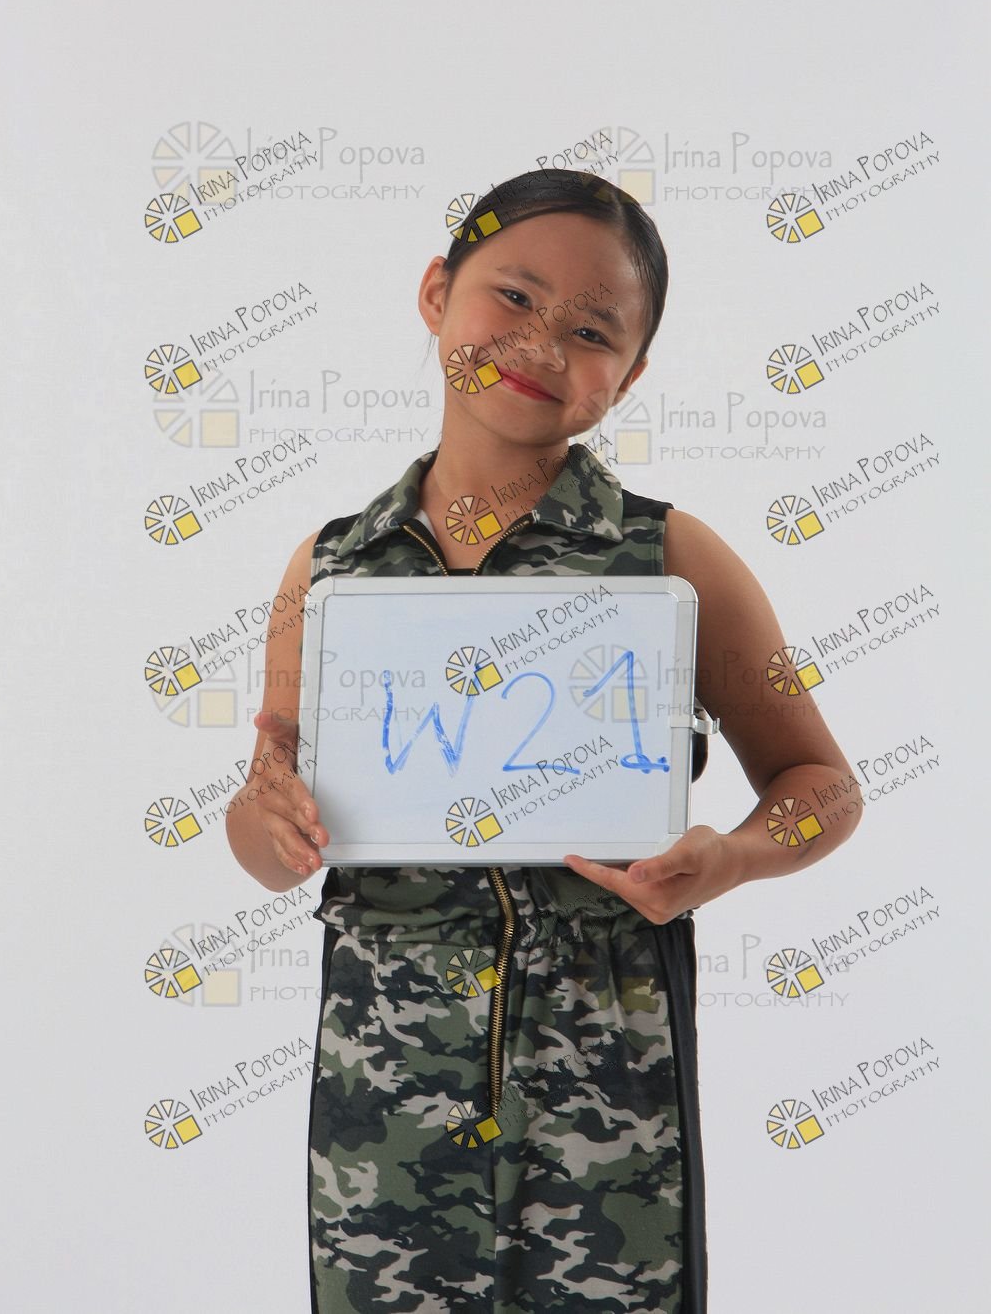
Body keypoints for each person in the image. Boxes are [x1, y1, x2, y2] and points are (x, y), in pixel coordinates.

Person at [226, 168, 862, 1314]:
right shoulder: (331, 568)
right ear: (436, 292)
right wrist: (267, 820)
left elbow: (822, 786)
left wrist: (730, 857)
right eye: (513, 297)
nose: (539, 343)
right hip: (381, 1110)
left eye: (592, 330)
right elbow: (264, 832)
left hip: (608, 1106)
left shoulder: (671, 560)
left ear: (632, 373)